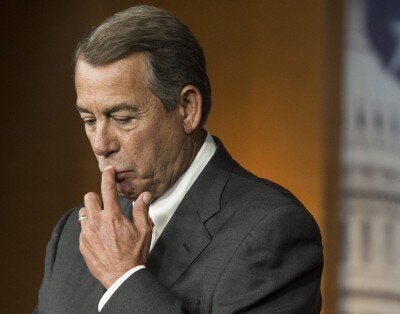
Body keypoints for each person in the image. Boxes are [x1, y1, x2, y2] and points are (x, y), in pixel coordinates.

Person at [35, 5, 323, 313]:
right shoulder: (75, 233)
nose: (100, 144)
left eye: (121, 117)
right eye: (89, 120)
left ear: (186, 109)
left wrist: (124, 279)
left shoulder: (272, 231)